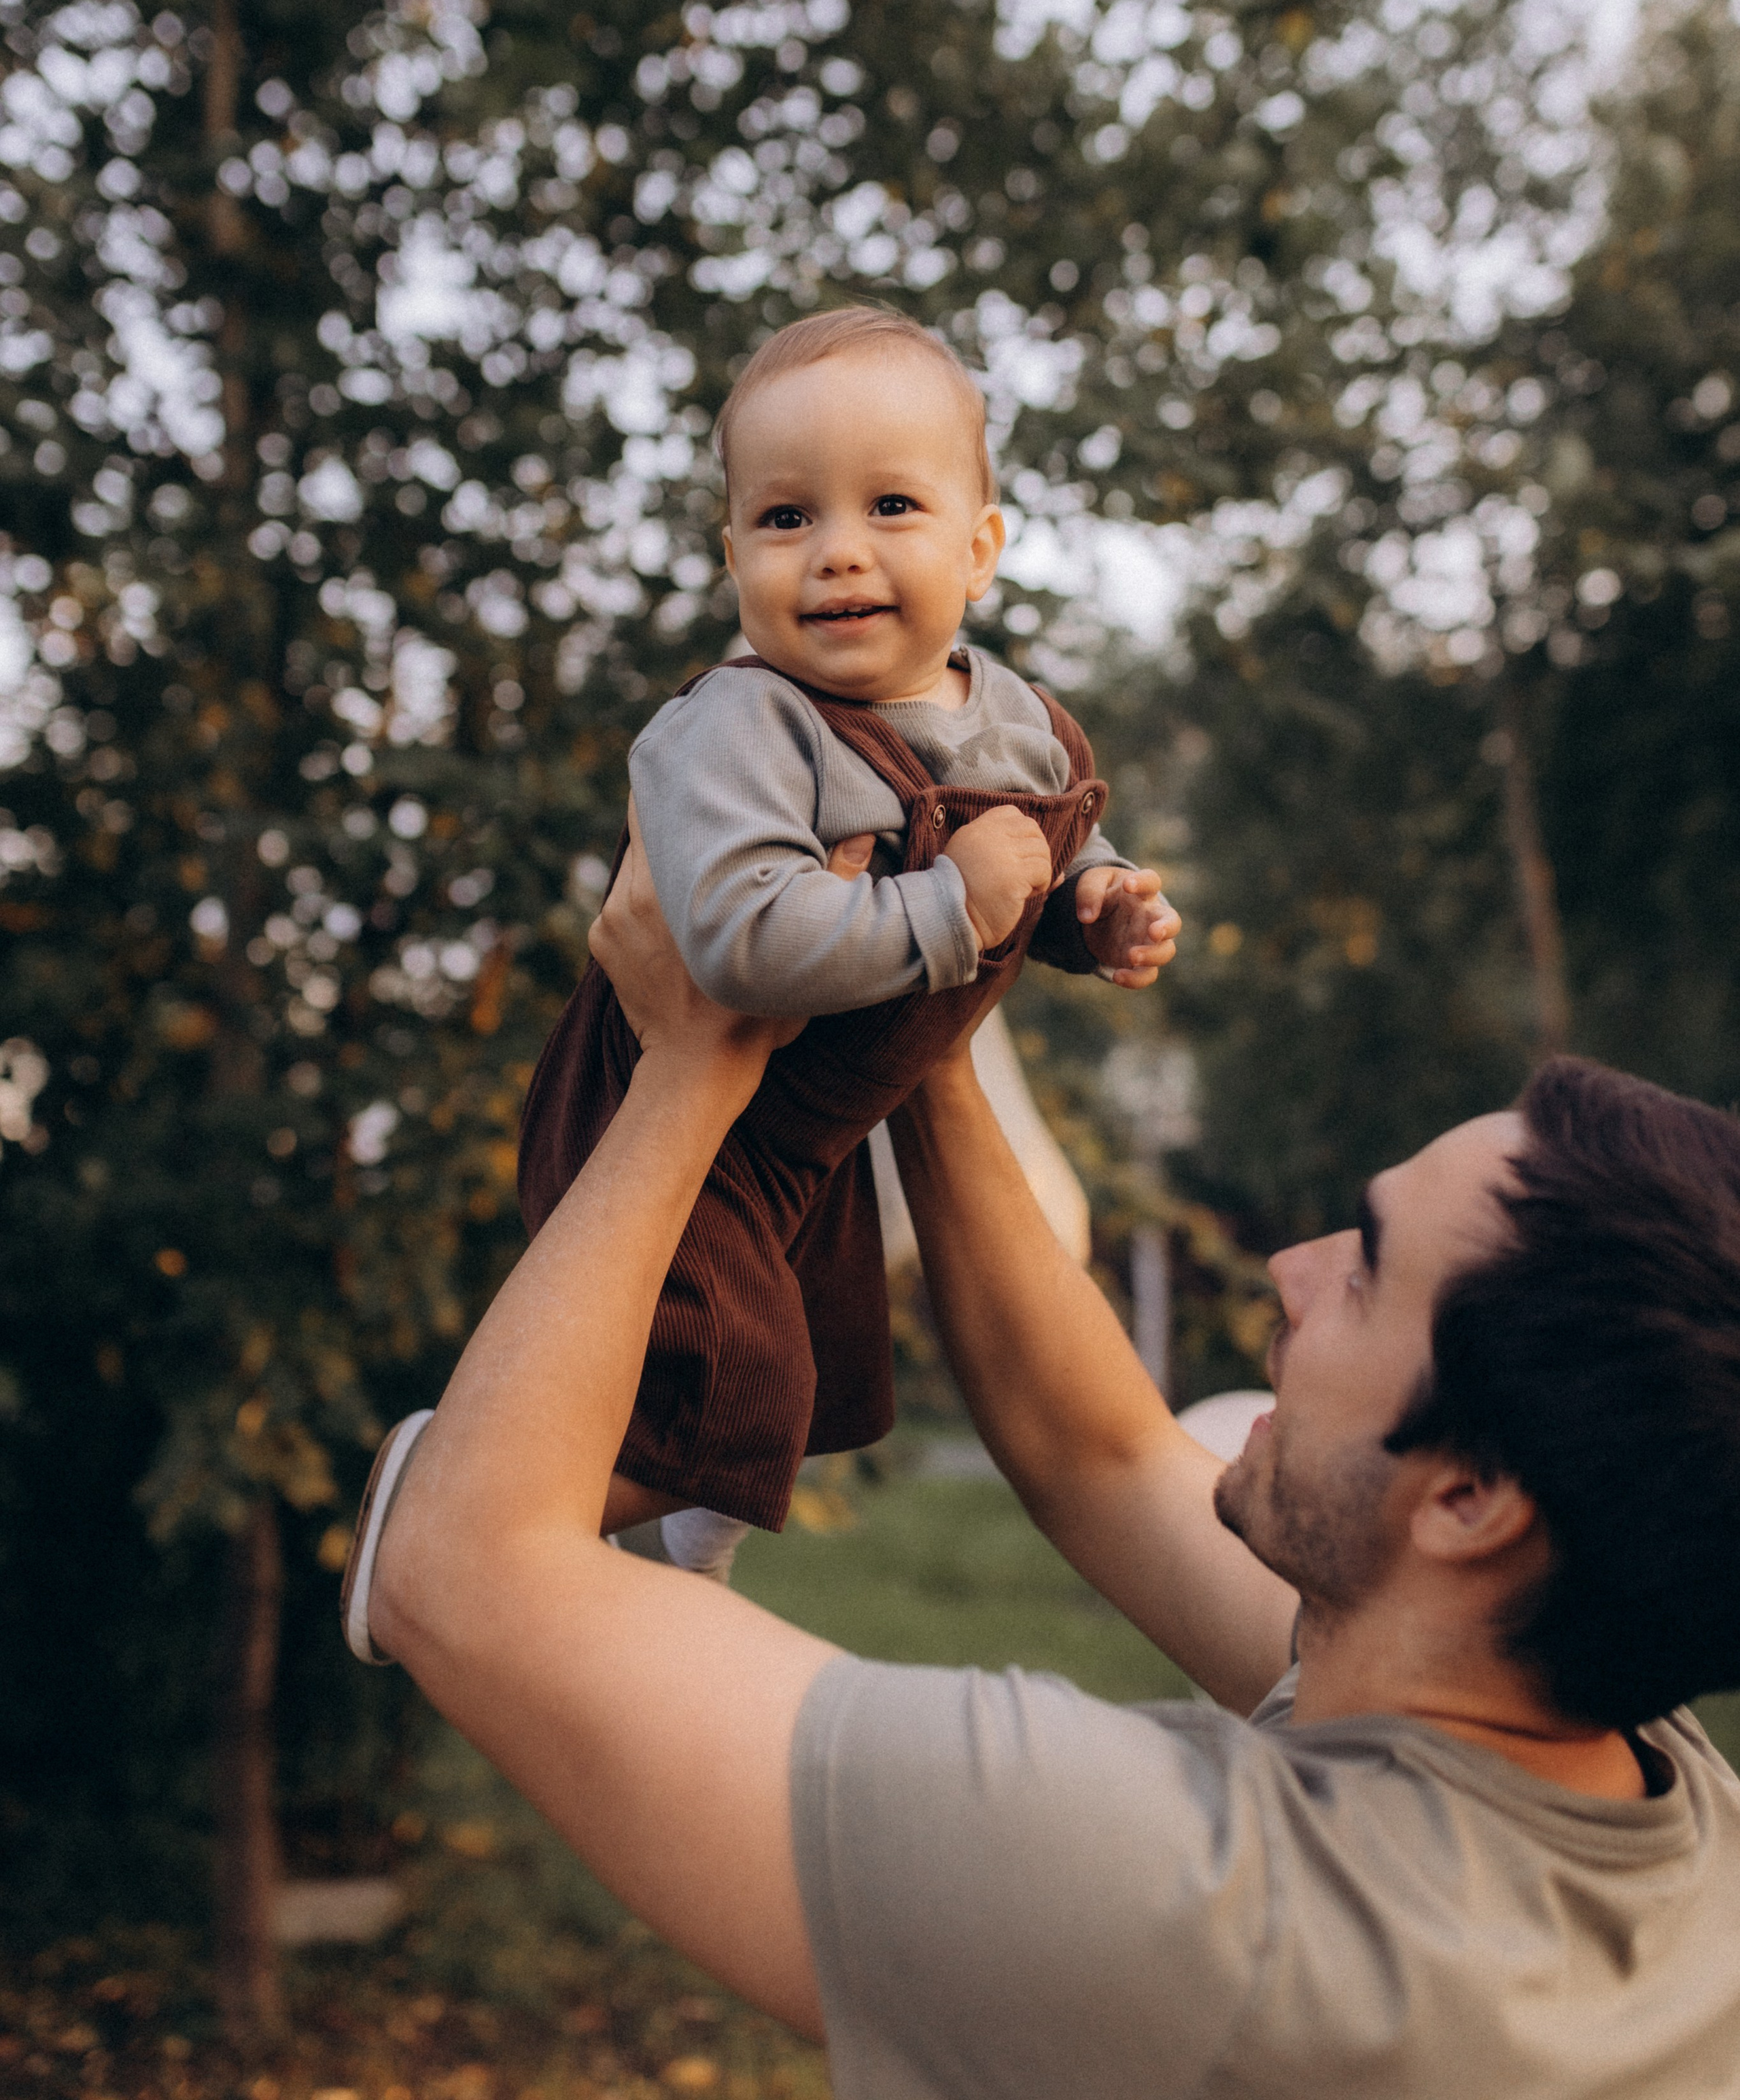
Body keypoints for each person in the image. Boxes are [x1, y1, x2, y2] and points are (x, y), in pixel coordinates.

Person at [352, 833, 1740, 2098]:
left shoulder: (1202, 1915)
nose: (1289, 1268)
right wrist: (922, 1020)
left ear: (1470, 1500)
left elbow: (458, 1571)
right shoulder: (1653, 1799)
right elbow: (1101, 1454)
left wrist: (690, 1063)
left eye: (1369, 1269)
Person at [508, 303, 1174, 1587]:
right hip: (675, 1128)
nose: (838, 553)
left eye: (891, 506)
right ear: (734, 557)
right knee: (735, 1395)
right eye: (786, 517)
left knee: (812, 1392)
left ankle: (676, 1570)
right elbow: (742, 938)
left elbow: (1046, 846)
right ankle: (461, 1484)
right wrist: (951, 907)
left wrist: (1094, 904)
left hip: (815, 1132)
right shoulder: (745, 726)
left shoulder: (1017, 720)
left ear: (980, 549)